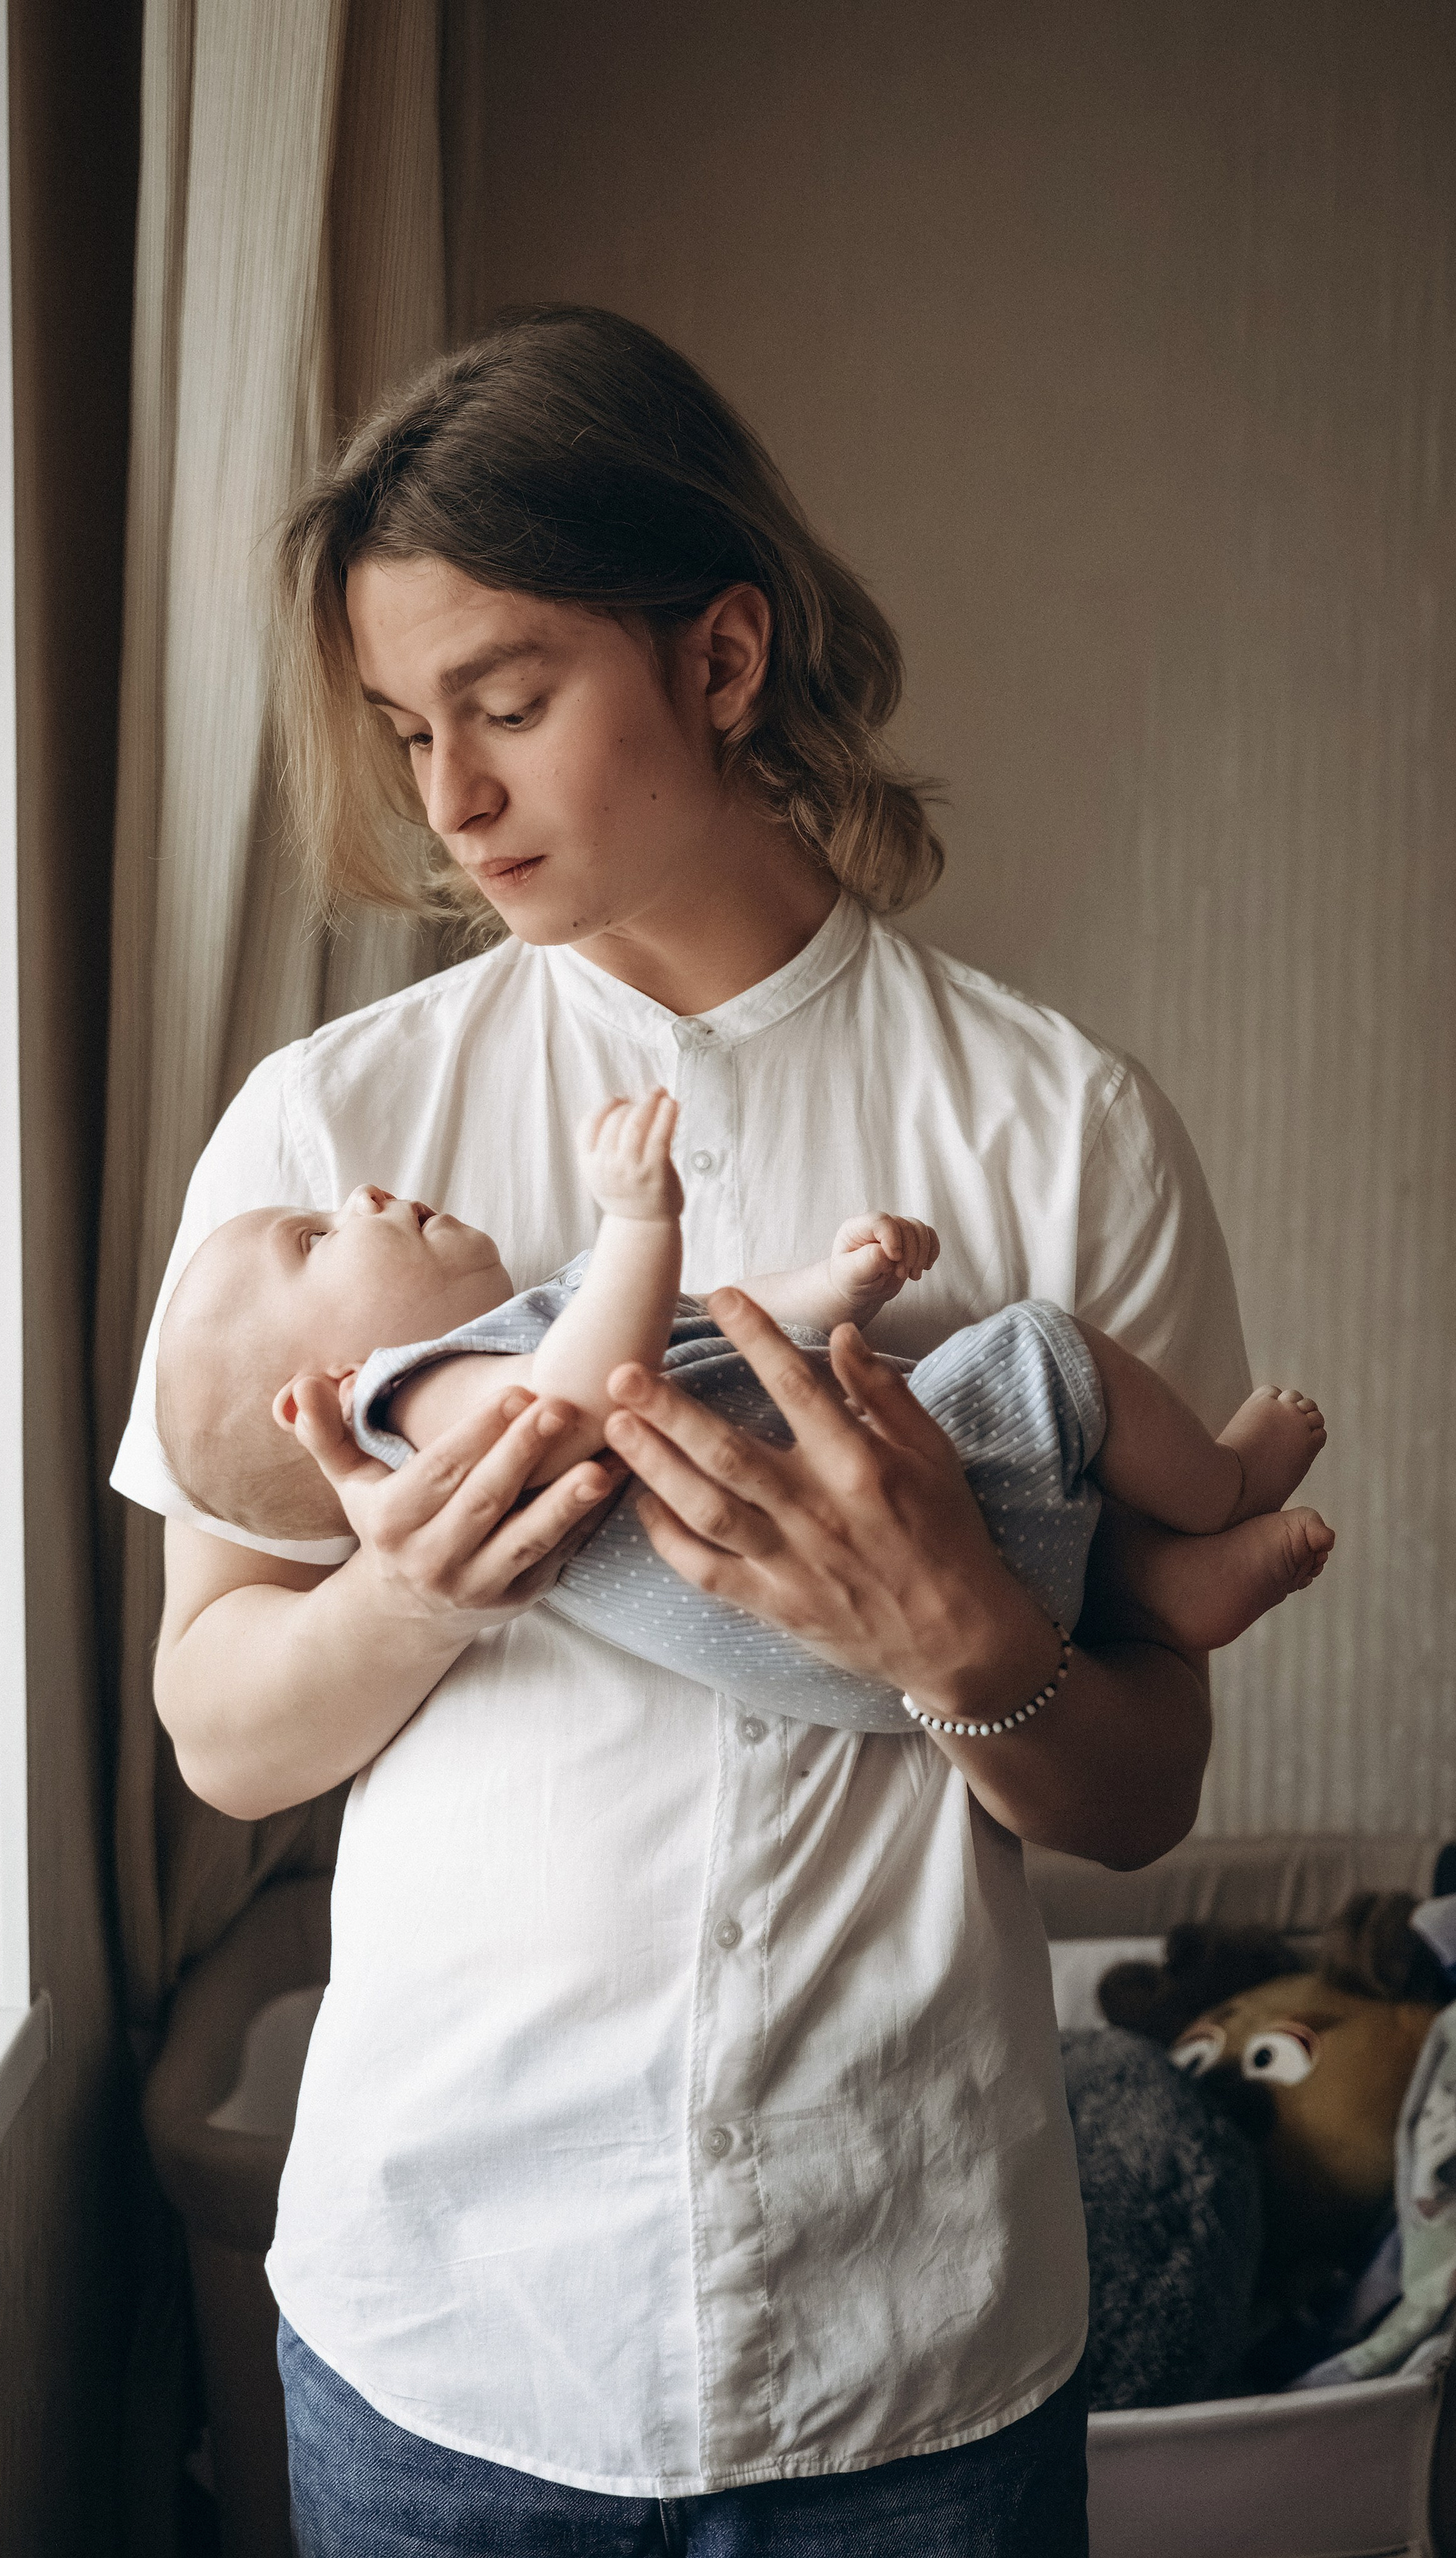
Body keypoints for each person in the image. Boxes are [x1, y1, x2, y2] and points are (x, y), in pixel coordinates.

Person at [111, 306, 1268, 2554]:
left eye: (507, 703)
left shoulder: (1062, 1129)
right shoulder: (329, 1136)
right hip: (445, 2338)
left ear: (723, 661)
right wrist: (417, 1587)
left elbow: (1144, 1794)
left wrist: (963, 1646)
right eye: (406, 728)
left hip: (909, 2354)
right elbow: (221, 1730)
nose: (448, 800)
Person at [152, 1090, 1332, 1734]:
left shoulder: (529, 1328)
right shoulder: (410, 1398)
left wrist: (836, 1288)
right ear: (326, 1386)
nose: (359, 1194)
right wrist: (637, 1222)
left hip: (884, 1646)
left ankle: (1165, 1586)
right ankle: (1223, 1485)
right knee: (1045, 1352)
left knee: (1037, 1497)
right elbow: (571, 1407)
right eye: (315, 1237)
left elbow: (711, 1324)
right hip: (871, 1583)